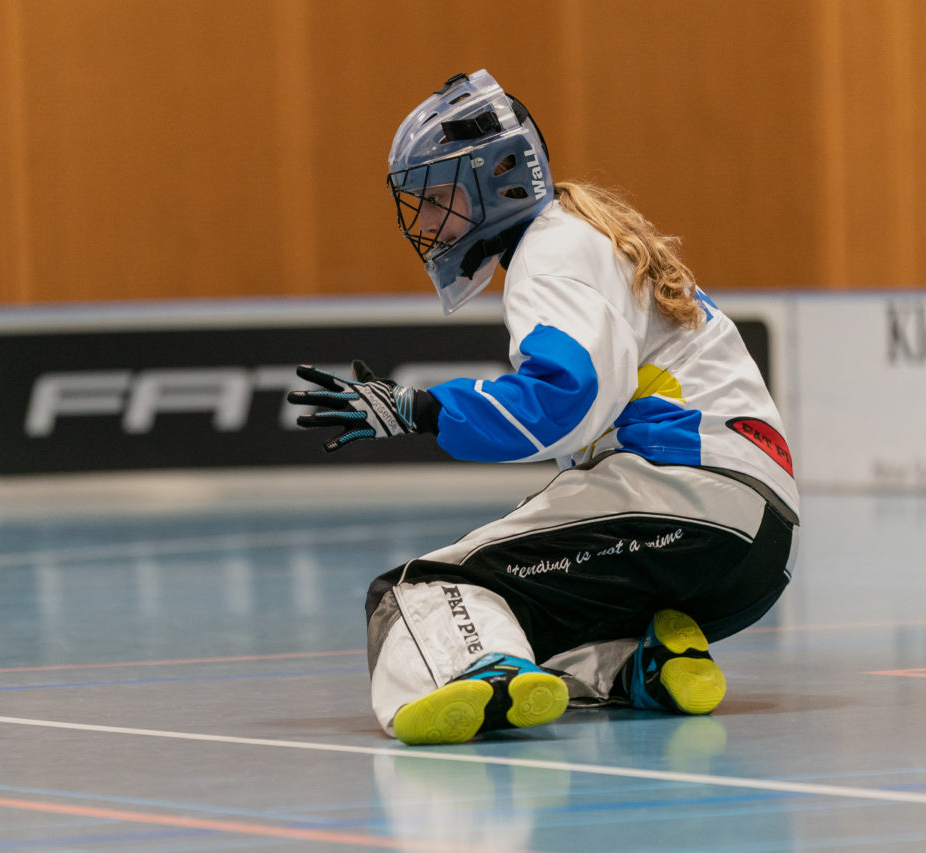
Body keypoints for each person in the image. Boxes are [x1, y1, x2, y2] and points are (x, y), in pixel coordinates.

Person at [286, 70, 800, 746]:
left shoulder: (549, 250)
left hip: (682, 497)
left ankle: (480, 668)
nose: (428, 222)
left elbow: (564, 396)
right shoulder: (591, 240)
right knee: (526, 619)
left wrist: (421, 408)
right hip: (760, 547)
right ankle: (648, 662)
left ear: (496, 181)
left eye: (438, 199)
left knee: (421, 590)